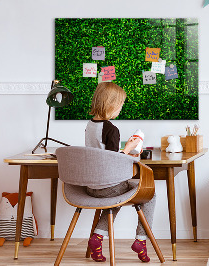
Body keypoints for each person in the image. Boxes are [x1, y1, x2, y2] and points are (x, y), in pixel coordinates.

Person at [85, 82, 155, 263]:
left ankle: (97, 238)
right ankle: (141, 240)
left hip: (91, 186)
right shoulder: (111, 129)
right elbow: (112, 161)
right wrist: (129, 148)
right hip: (108, 186)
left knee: (115, 197)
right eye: (120, 105)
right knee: (150, 194)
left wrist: (124, 150)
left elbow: (102, 154)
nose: (121, 109)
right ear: (111, 104)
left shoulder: (90, 125)